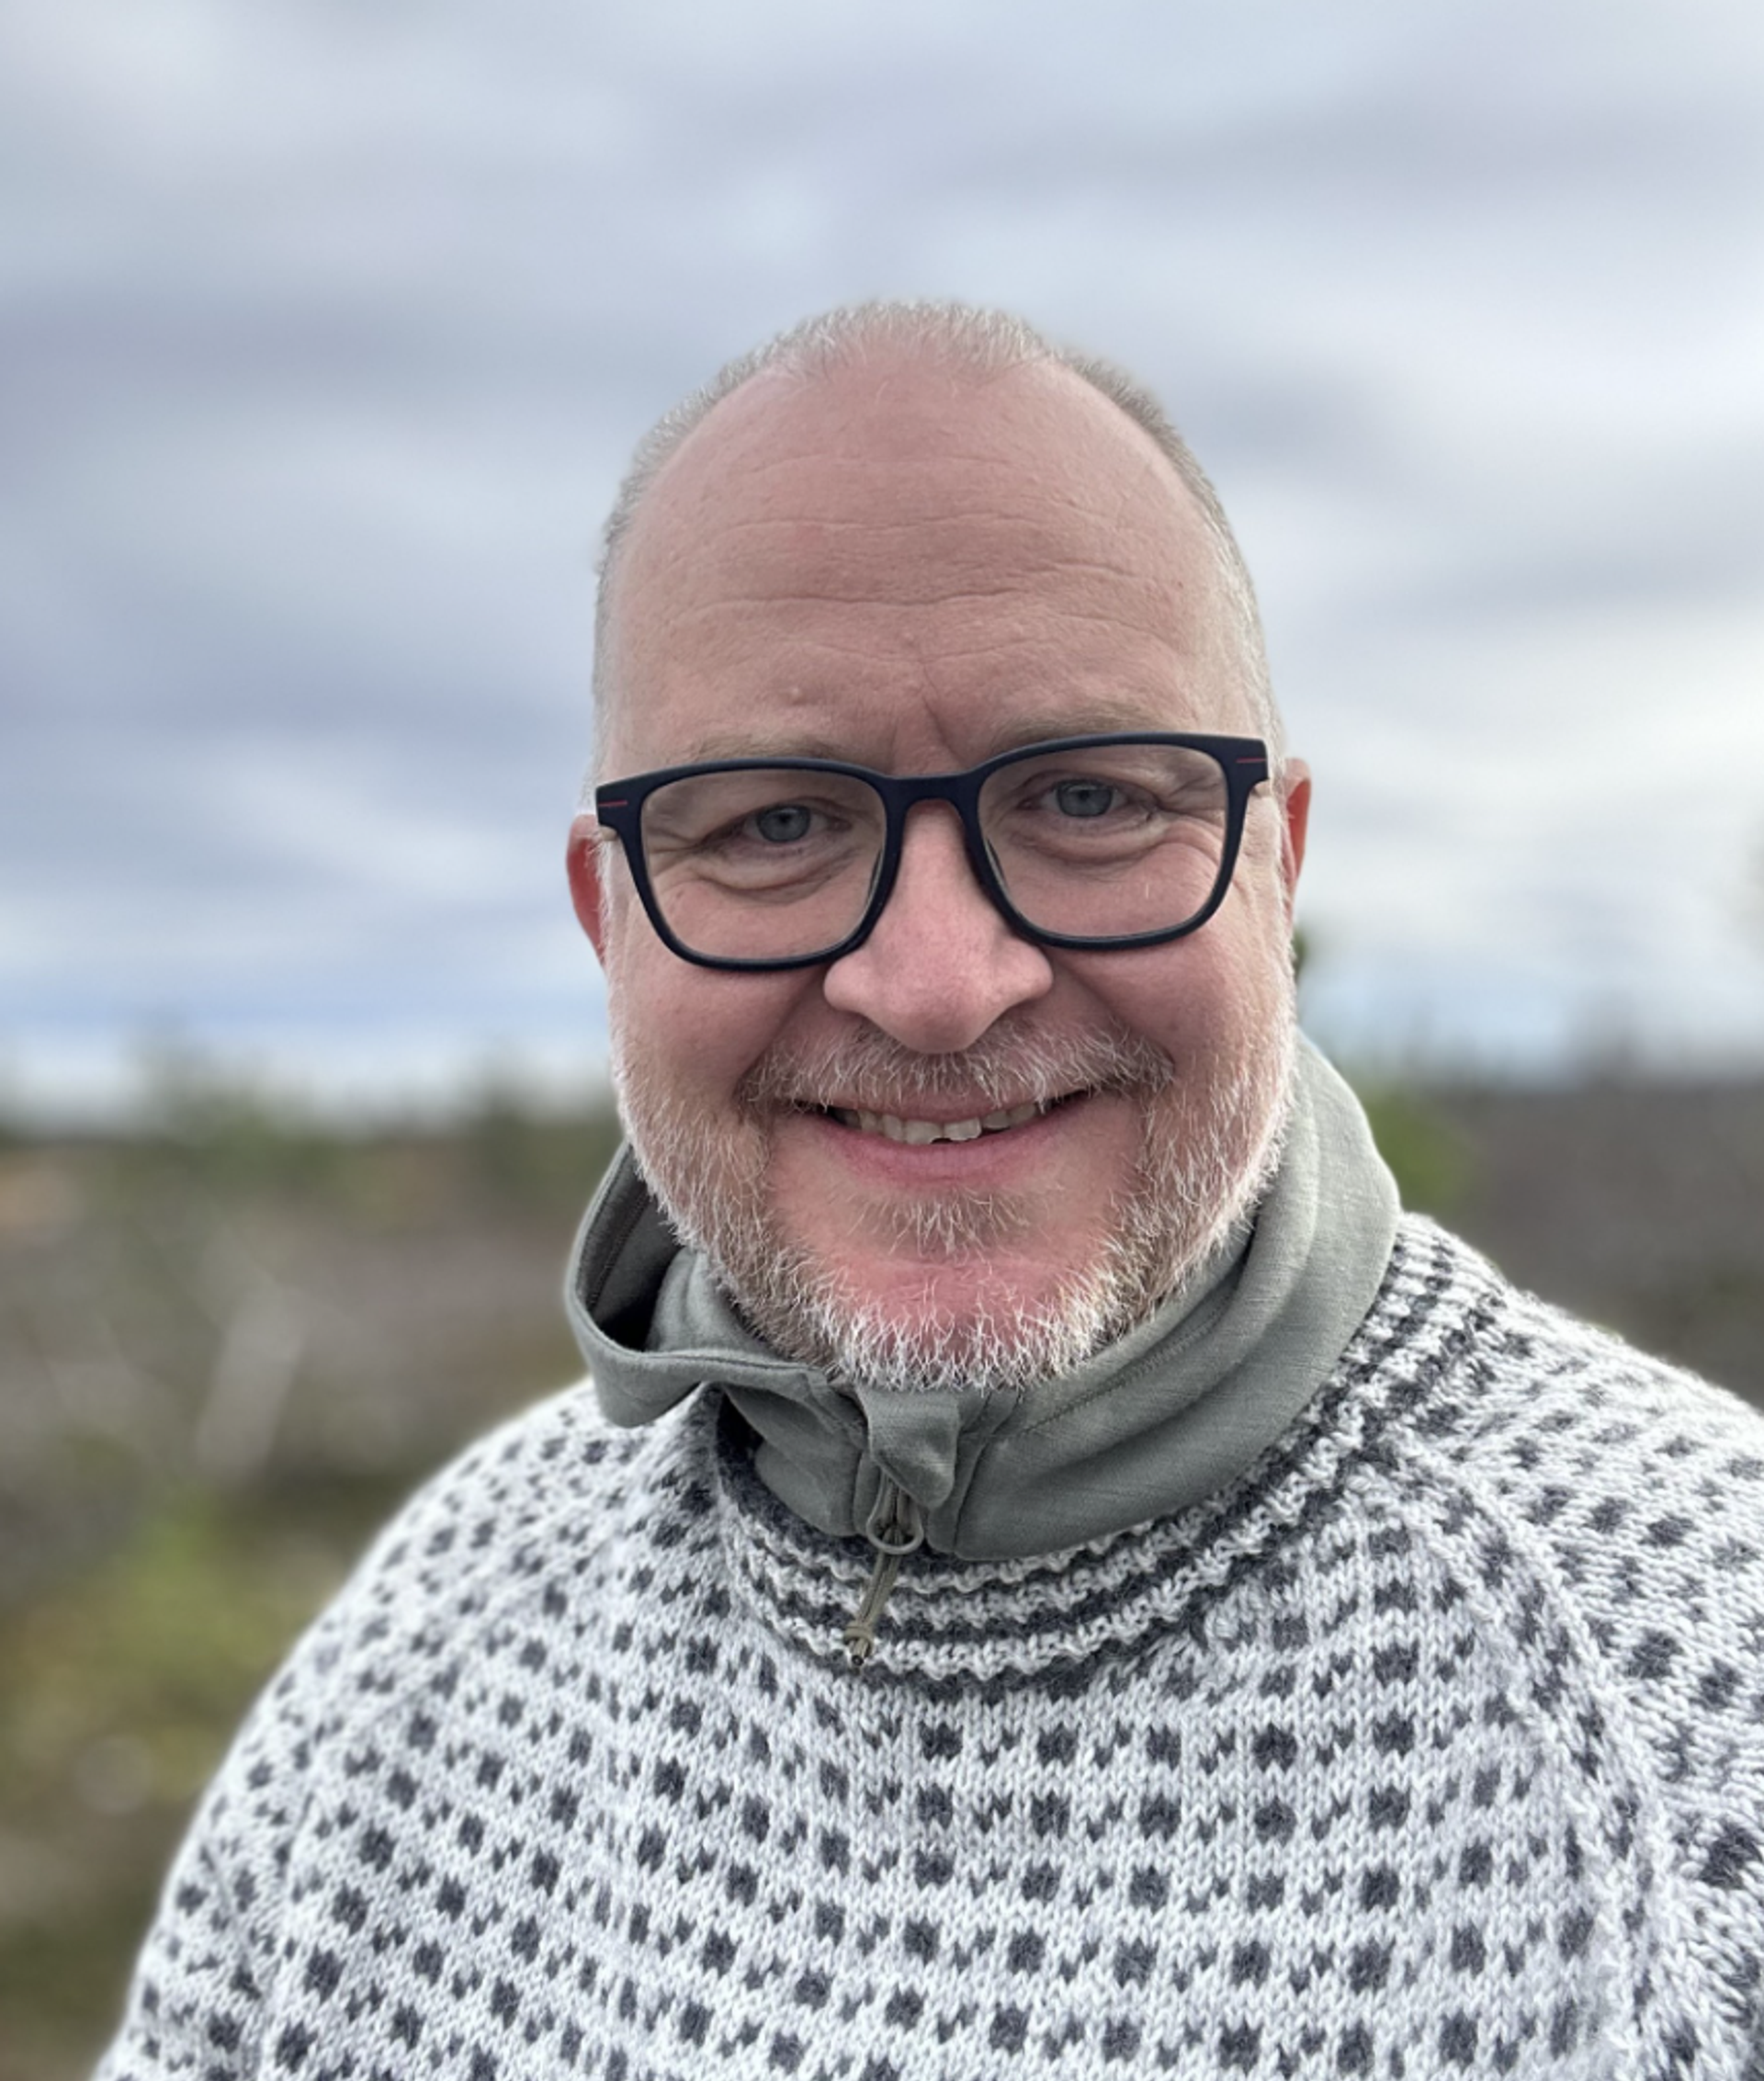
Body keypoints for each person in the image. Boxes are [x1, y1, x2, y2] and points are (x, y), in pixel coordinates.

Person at [98, 302, 1764, 2080]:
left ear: (1274, 868)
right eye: (776, 824)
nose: (940, 981)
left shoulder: (1698, 1692)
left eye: (1088, 796)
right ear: (610, 923)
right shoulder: (425, 1653)